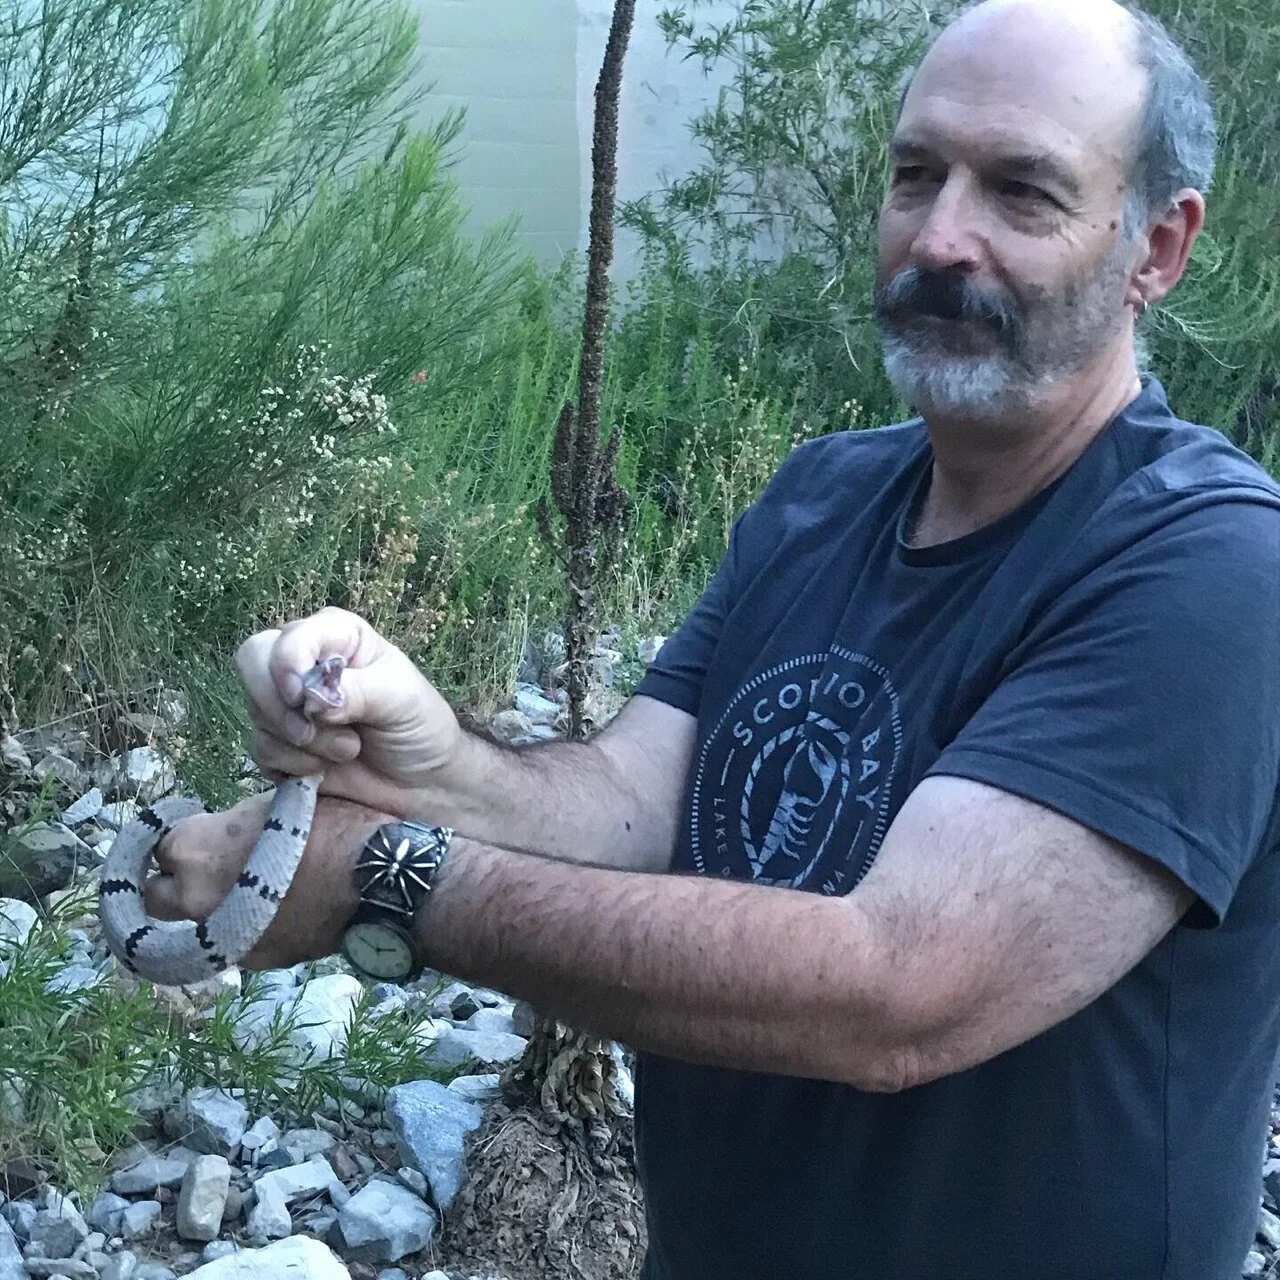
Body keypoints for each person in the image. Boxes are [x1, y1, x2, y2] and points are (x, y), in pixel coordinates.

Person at [147, 0, 1280, 1275]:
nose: (938, 235)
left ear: (1156, 247)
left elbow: (897, 989)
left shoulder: (1209, 566)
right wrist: (415, 753)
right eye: (915, 173)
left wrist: (392, 875)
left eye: (1021, 192)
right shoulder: (821, 495)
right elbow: (636, 802)